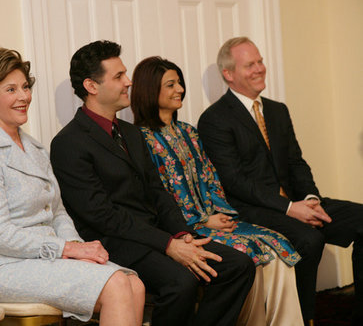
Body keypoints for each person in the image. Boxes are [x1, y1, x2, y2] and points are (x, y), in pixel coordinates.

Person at [50, 40, 255, 326]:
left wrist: (182, 234)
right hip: (115, 242)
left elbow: (158, 192)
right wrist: (167, 244)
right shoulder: (68, 143)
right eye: (118, 76)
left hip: (155, 235)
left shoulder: (132, 133)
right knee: (180, 282)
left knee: (237, 265)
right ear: (91, 86)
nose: (129, 82)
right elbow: (101, 215)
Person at [0, 47, 145, 325]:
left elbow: (58, 211)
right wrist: (67, 250)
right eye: (11, 89)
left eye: (25, 87)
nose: (24, 96)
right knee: (118, 284)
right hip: (0, 266)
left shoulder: (36, 149)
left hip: (44, 259)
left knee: (135, 285)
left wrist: (74, 246)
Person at [197, 36, 363, 325]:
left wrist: (310, 199)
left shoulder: (277, 110)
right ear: (229, 74)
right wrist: (290, 208)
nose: (260, 68)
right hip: (253, 209)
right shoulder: (214, 119)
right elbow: (235, 181)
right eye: (250, 64)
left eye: (260, 61)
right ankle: (304, 319)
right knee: (310, 240)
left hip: (297, 202)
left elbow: (296, 162)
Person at [130, 55, 304, 325]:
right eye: (171, 85)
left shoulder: (189, 132)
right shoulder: (140, 139)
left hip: (213, 217)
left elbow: (211, 177)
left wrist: (219, 213)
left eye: (180, 83)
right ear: (149, 90)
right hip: (185, 229)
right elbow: (158, 195)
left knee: (276, 243)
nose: (180, 89)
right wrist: (201, 220)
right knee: (251, 254)